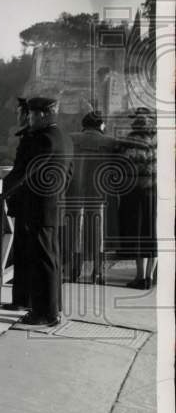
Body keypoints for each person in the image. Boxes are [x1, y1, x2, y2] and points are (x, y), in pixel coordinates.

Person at [0, 96, 73, 326]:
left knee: (44, 261)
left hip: (40, 206)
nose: (28, 119)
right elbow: (69, 174)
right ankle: (44, 307)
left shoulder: (45, 139)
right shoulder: (63, 137)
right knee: (47, 258)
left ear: (42, 114)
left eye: (31, 114)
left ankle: (46, 314)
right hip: (50, 205)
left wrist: (1, 192)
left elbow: (25, 172)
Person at [65, 110, 123, 283]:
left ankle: (74, 269)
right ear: (101, 125)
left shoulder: (70, 139)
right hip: (100, 192)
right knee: (99, 233)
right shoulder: (111, 142)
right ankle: (97, 272)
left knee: (76, 230)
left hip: (74, 192)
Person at [0, 98, 33, 310]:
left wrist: (2, 191)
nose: (17, 117)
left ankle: (21, 301)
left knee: (23, 253)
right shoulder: (34, 136)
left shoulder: (30, 138)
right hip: (30, 202)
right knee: (23, 252)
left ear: (27, 115)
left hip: (27, 202)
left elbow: (20, 171)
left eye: (19, 113)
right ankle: (22, 299)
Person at [118, 115, 157, 289]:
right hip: (155, 193)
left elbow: (121, 166)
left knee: (138, 234)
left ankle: (139, 277)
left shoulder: (129, 142)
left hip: (134, 194)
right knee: (153, 235)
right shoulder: (158, 142)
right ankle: (149, 277)